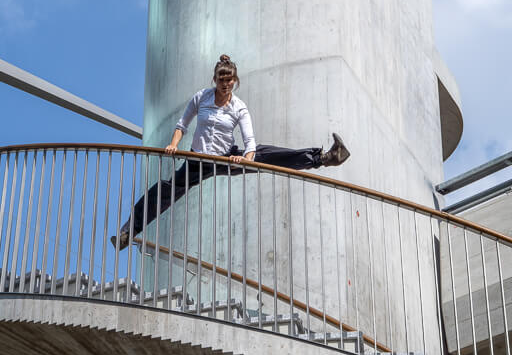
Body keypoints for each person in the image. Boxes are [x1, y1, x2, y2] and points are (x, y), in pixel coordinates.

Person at [111, 54, 349, 250]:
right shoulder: (201, 97)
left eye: (230, 81)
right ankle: (127, 232)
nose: (225, 86)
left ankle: (324, 157)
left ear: (235, 81)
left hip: (225, 158)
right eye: (221, 81)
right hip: (197, 160)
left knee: (265, 154)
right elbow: (182, 125)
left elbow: (250, 141)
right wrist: (173, 144)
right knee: (166, 190)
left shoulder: (239, 107)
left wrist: (244, 158)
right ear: (214, 79)